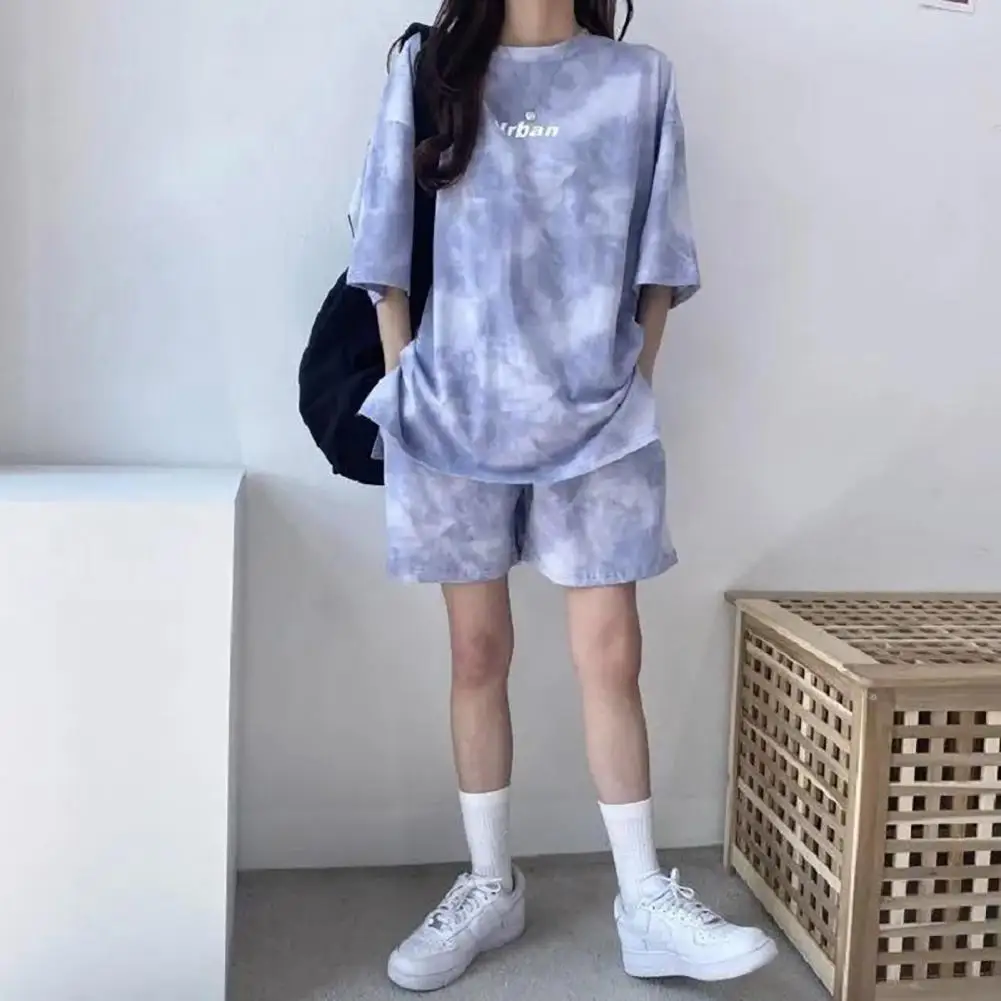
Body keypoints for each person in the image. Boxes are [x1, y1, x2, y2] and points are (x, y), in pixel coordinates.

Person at [347, 0, 776, 991]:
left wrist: (634, 381)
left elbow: (661, 255)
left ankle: (644, 898)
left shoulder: (638, 79)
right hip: (451, 409)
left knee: (611, 652)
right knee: (475, 649)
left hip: (599, 417)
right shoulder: (430, 70)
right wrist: (406, 375)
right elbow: (380, 237)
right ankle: (489, 883)